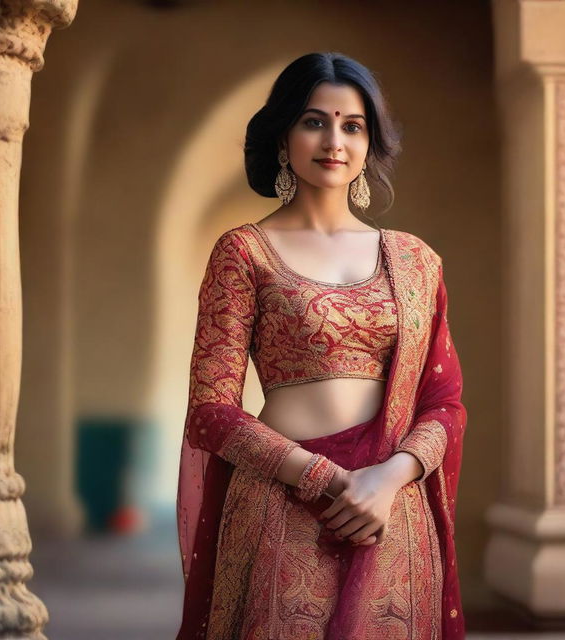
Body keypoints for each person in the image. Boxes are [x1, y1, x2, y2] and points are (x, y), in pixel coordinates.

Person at [176, 51, 467, 640]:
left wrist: (384, 482)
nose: (334, 139)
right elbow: (211, 412)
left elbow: (444, 403)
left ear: (369, 143)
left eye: (352, 125)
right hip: (283, 499)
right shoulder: (244, 252)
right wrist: (328, 481)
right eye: (314, 121)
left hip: (391, 511)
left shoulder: (414, 259)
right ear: (283, 136)